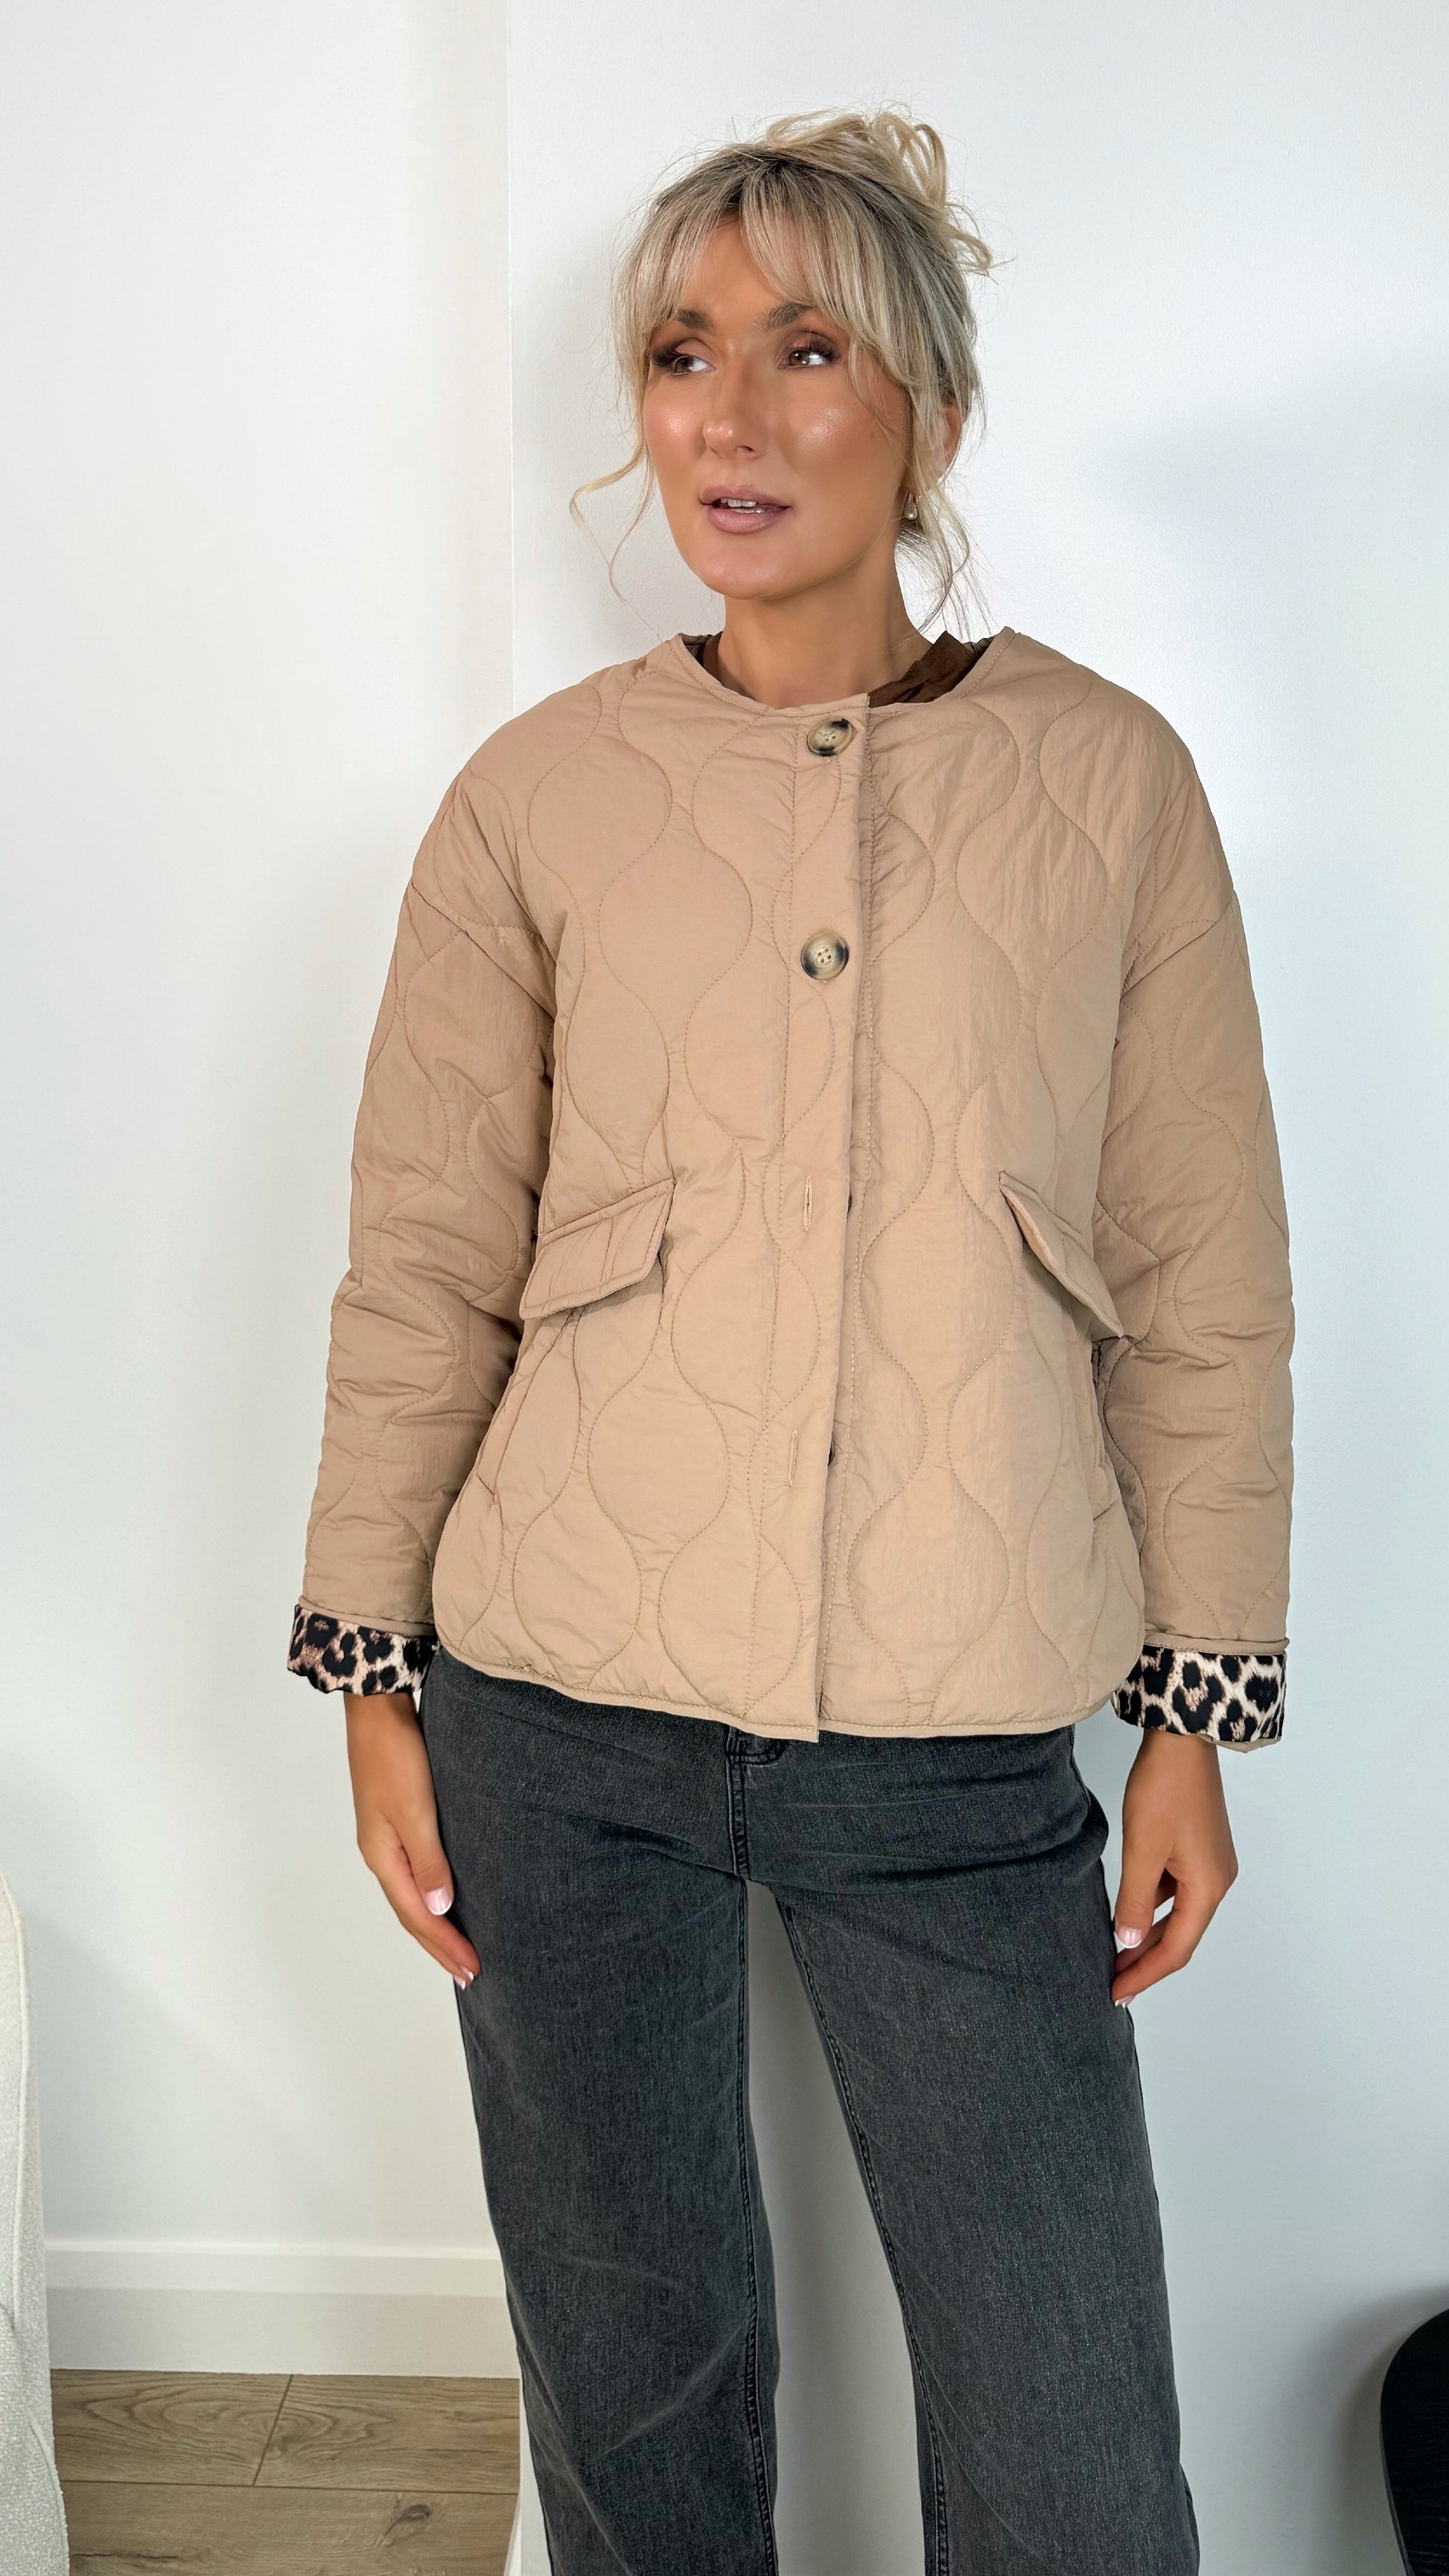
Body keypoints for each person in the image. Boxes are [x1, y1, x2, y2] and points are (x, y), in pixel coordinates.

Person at [287, 108, 1293, 2576]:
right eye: (678, 353)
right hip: (557, 1709)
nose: (726, 417)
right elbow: (423, 1252)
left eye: (805, 350)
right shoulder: (538, 799)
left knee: (1073, 2464)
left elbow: (1199, 1272)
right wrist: (369, 1666)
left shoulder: (1109, 785)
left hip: (957, 1734)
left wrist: (1196, 1701)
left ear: (929, 410)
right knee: (634, 2409)